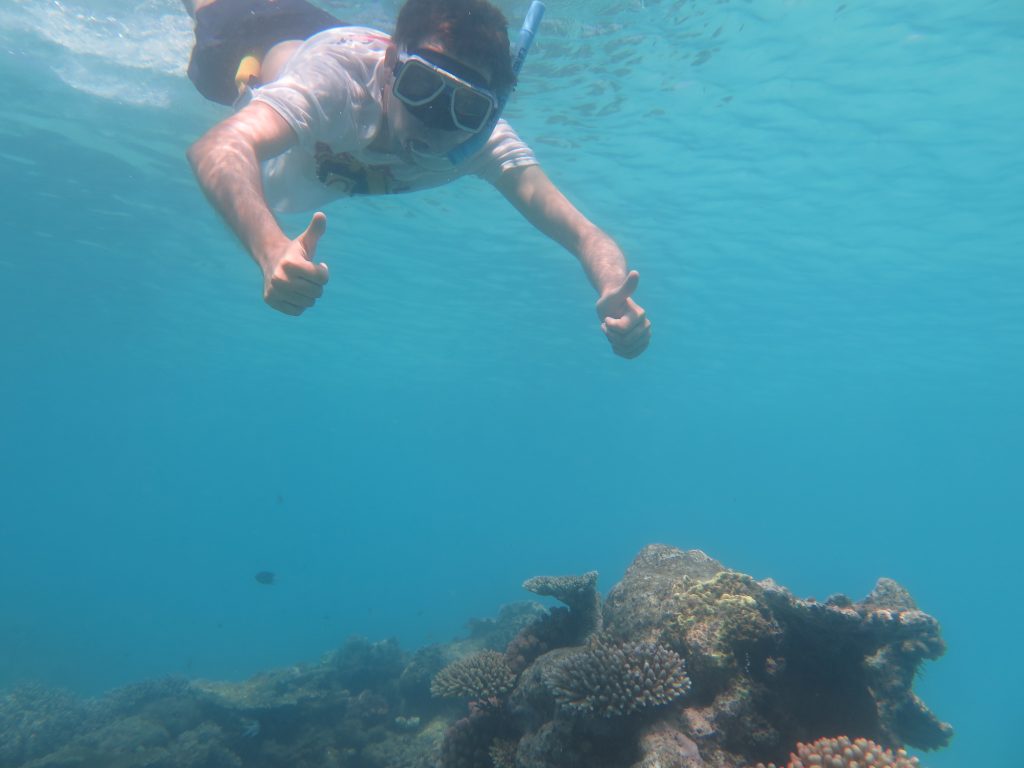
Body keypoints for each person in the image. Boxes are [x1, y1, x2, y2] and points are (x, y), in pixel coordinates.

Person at [183, 0, 651, 358]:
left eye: (466, 108)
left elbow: (586, 235)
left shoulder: (483, 142)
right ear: (388, 68)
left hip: (317, 33)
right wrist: (269, 250)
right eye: (422, 87)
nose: (435, 122)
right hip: (259, 34)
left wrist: (614, 292)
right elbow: (217, 148)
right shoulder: (338, 92)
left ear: (489, 113)